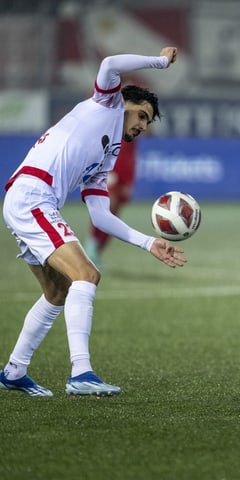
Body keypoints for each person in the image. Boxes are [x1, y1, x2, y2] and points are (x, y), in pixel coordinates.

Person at [0, 47, 186, 398]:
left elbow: (100, 214)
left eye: (148, 123)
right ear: (125, 101)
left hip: (32, 200)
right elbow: (109, 64)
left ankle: (14, 371)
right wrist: (160, 62)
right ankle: (81, 372)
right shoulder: (107, 104)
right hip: (32, 197)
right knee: (87, 275)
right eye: (142, 116)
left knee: (57, 291)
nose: (143, 126)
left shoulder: (108, 155)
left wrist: (149, 243)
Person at [84, 137, 137, 269]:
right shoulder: (119, 123)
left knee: (114, 214)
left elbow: (130, 155)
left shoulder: (134, 132)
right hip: (111, 171)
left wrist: (128, 180)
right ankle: (91, 245)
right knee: (106, 210)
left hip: (123, 173)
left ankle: (96, 252)